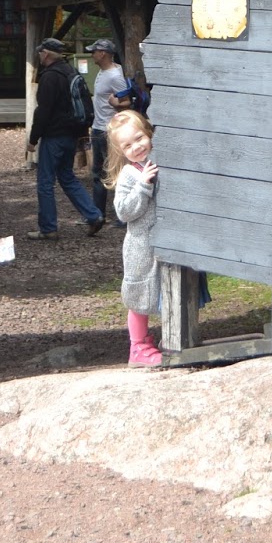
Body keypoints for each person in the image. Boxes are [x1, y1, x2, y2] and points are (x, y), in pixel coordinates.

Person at [27, 37, 104, 239]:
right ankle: (94, 215)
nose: (39, 56)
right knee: (67, 177)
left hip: (53, 136)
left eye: (40, 52)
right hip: (71, 134)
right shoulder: (72, 71)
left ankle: (48, 228)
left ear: (46, 54)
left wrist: (33, 139)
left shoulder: (49, 77)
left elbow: (43, 112)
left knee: (45, 181)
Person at [104, 108, 162, 367]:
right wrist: (143, 186)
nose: (136, 147)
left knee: (163, 289)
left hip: (159, 242)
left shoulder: (157, 163)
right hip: (140, 246)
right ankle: (137, 347)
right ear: (121, 151)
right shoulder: (130, 174)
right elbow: (124, 211)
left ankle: (157, 340)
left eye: (139, 138)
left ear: (148, 133)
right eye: (128, 145)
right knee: (139, 296)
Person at [85, 38, 126, 219]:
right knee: (98, 174)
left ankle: (122, 215)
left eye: (94, 51)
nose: (92, 54)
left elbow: (126, 102)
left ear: (103, 53)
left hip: (109, 131)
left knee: (114, 173)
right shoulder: (103, 72)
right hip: (98, 128)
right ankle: (97, 214)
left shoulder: (115, 76)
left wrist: (116, 103)